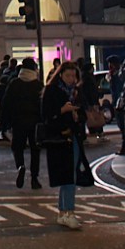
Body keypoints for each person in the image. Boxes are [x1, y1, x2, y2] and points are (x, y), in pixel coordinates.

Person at [41, 61, 87, 228]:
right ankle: (69, 212)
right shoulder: (52, 91)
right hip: (59, 137)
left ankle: (63, 211)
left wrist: (77, 115)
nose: (71, 79)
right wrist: (62, 111)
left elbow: (84, 113)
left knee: (69, 174)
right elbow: (46, 116)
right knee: (67, 175)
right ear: (60, 75)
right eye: (68, 75)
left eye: (74, 76)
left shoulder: (76, 92)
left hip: (73, 136)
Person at [0, 58, 44, 188]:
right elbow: (42, 104)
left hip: (18, 121)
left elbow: (6, 103)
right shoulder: (38, 85)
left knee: (17, 147)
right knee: (35, 150)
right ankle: (34, 178)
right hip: (34, 122)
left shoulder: (14, 83)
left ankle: (20, 166)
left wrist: (4, 121)